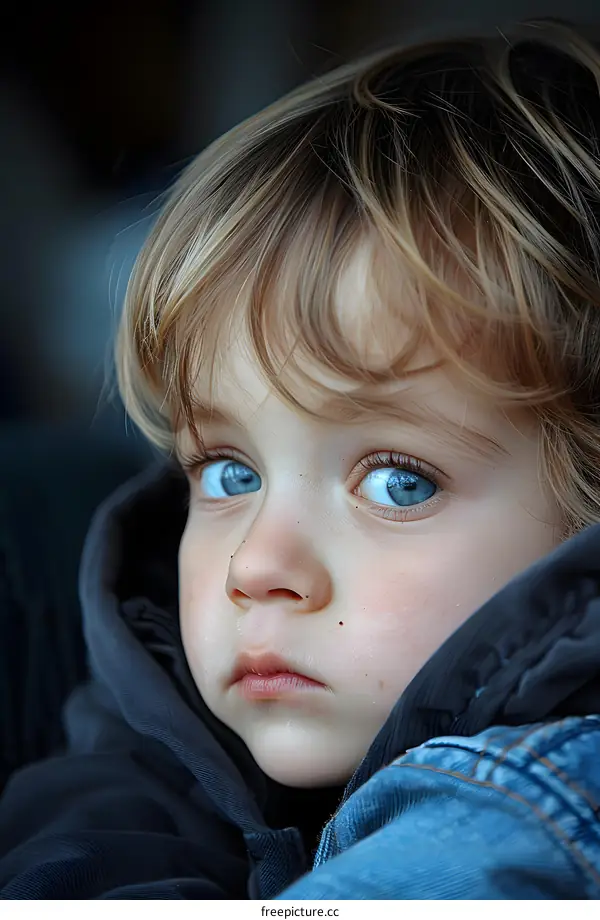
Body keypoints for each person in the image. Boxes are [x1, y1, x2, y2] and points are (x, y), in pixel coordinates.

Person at [2, 18, 600, 900]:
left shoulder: (535, 811)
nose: (256, 567)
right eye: (228, 473)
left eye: (397, 481)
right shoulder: (157, 716)